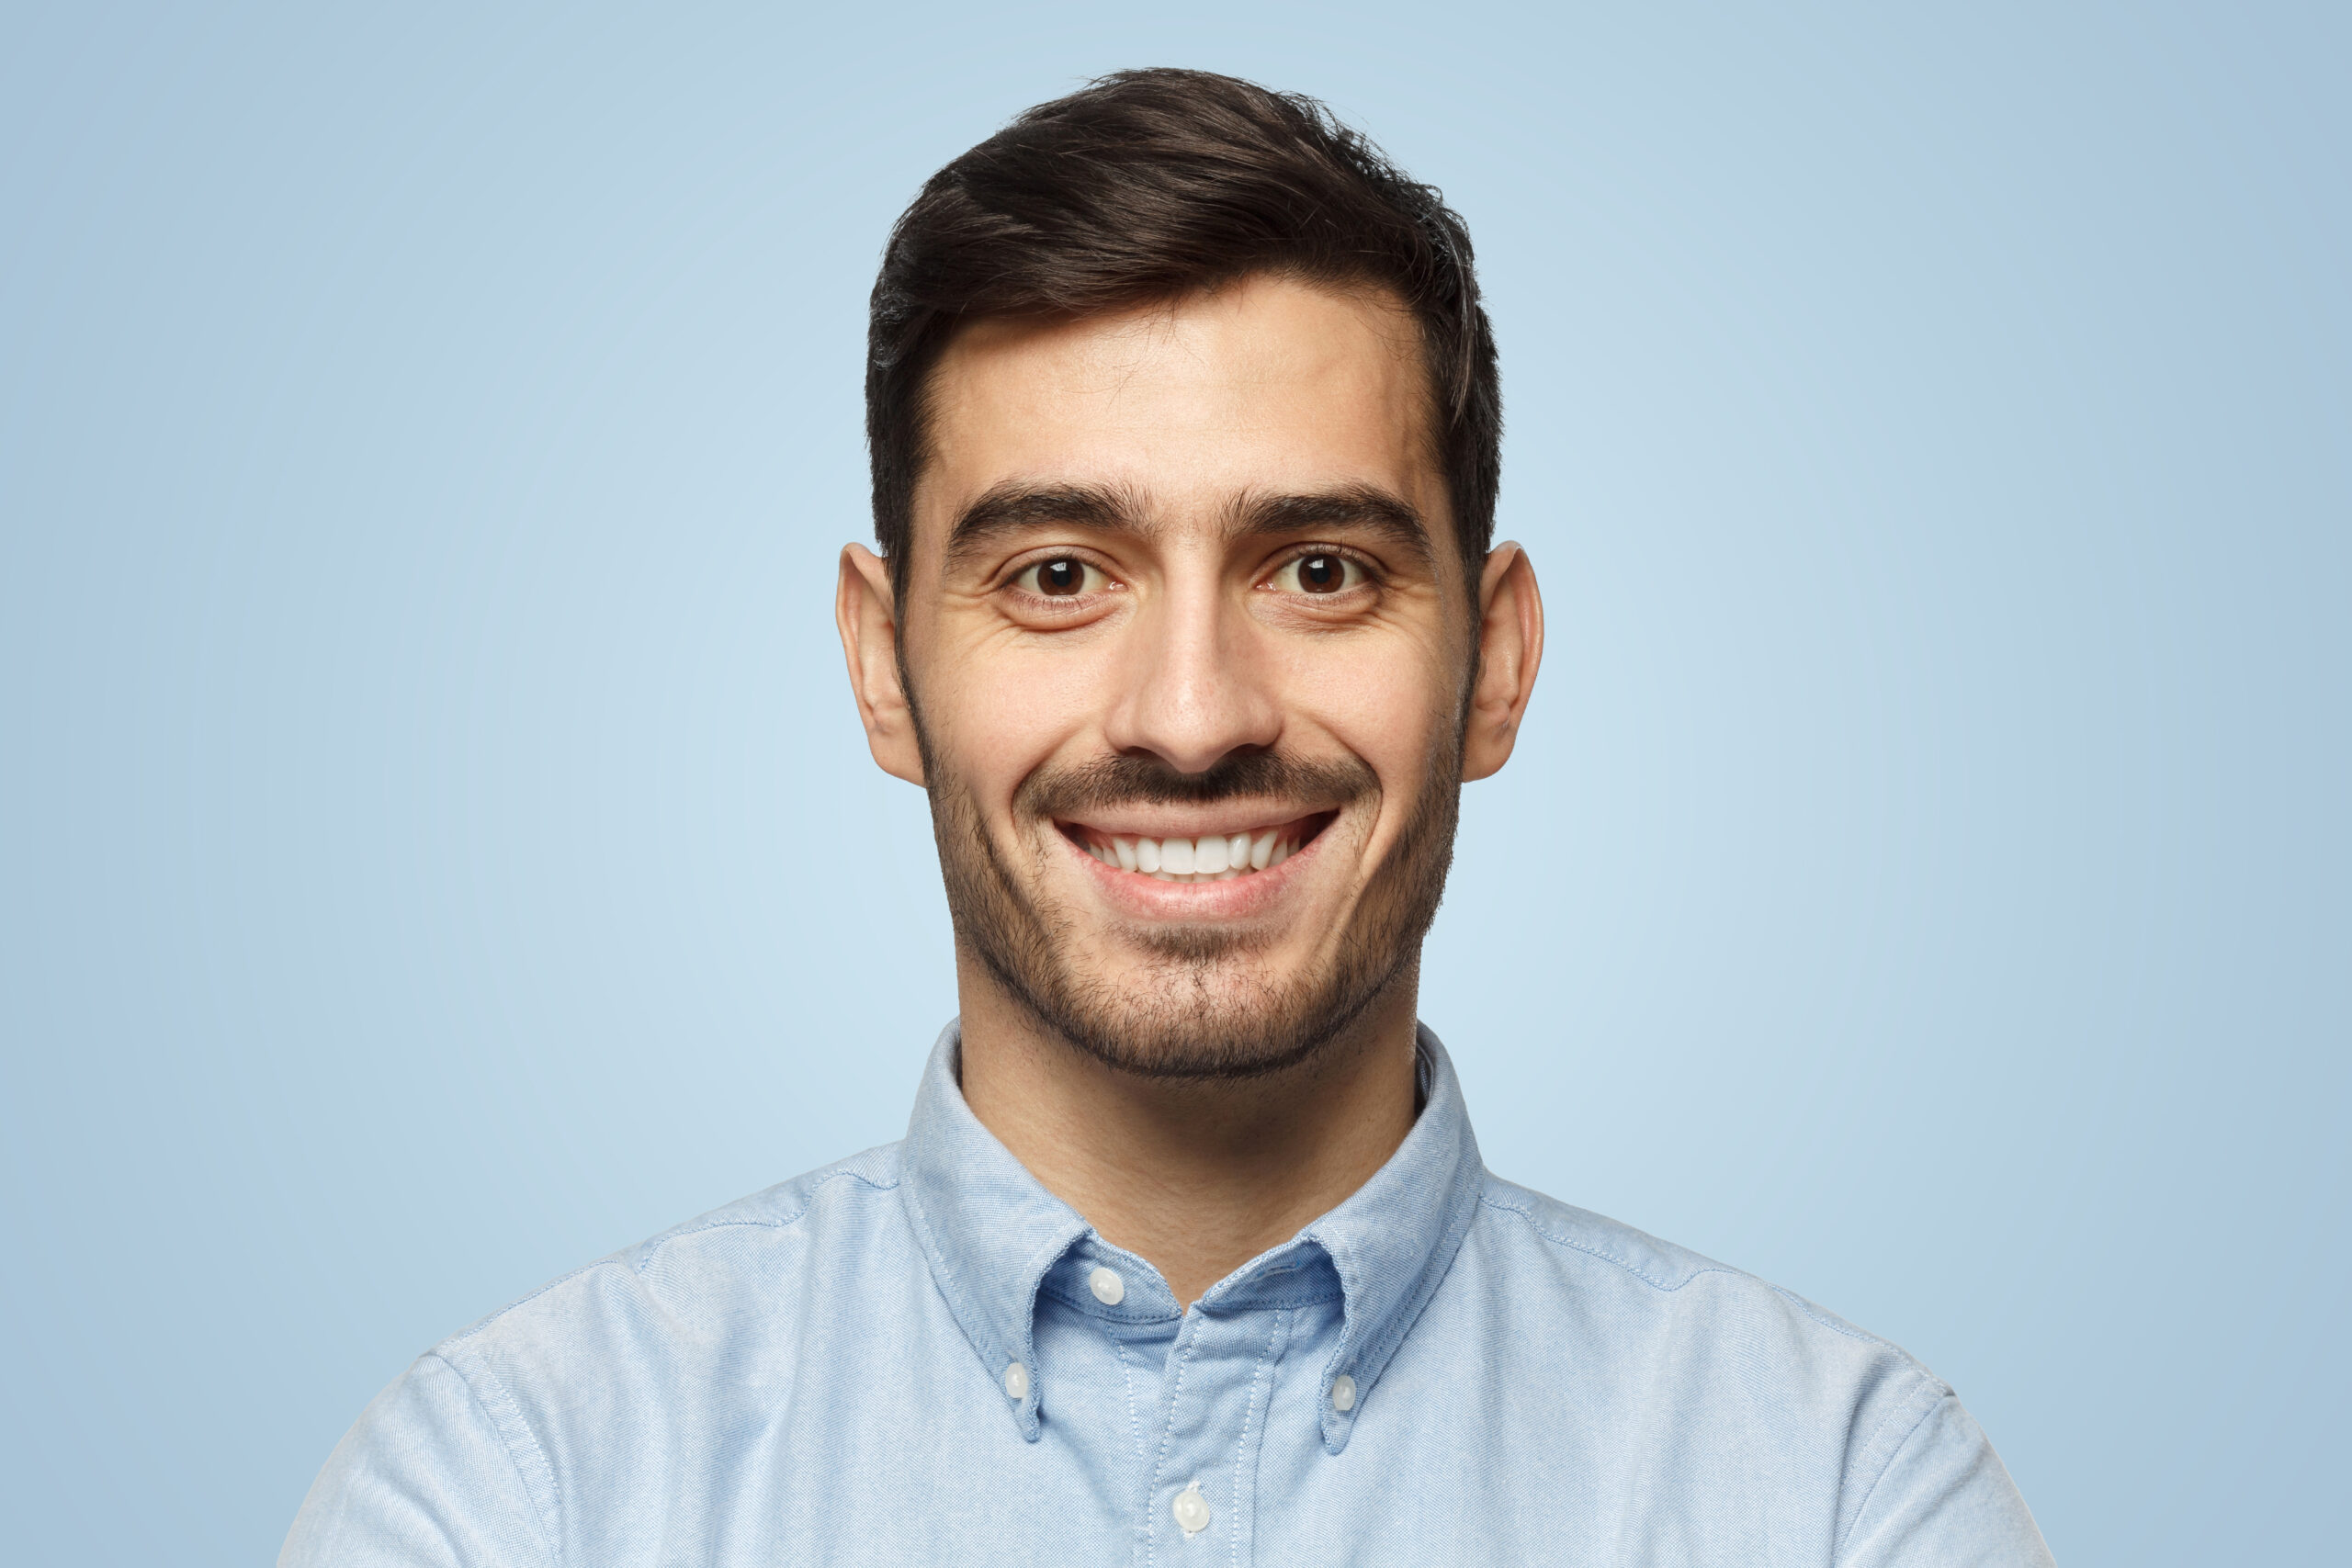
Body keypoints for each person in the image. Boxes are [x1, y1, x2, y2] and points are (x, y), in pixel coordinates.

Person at [283, 68, 2052, 1565]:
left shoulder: (1837, 1498)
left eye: (1321, 568)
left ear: (1495, 664)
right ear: (884, 665)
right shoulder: (523, 1493)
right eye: (1060, 574)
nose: (1192, 717)